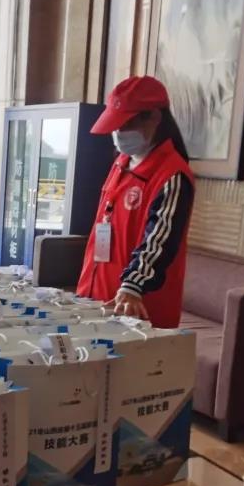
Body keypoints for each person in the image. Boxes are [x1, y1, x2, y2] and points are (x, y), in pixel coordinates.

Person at [76, 75, 195, 328]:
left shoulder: (172, 175)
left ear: (154, 117)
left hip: (136, 308)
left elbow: (159, 238)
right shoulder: (122, 163)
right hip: (98, 296)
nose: (118, 133)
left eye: (126, 124)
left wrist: (133, 285)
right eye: (115, 126)